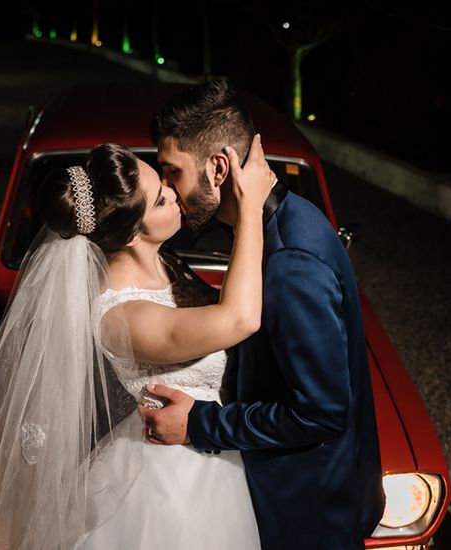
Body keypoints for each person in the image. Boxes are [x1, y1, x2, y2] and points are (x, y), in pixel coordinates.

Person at [0, 139, 277, 549]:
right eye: (160, 199)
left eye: (165, 181)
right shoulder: (121, 315)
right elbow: (240, 319)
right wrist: (249, 209)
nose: (174, 193)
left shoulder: (167, 262)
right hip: (173, 488)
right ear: (132, 235)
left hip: (216, 453)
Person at [140, 80, 386, 549]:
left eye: (172, 171)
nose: (167, 187)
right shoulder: (282, 220)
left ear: (218, 167)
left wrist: (199, 425)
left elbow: (321, 412)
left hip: (306, 514)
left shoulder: (292, 262)